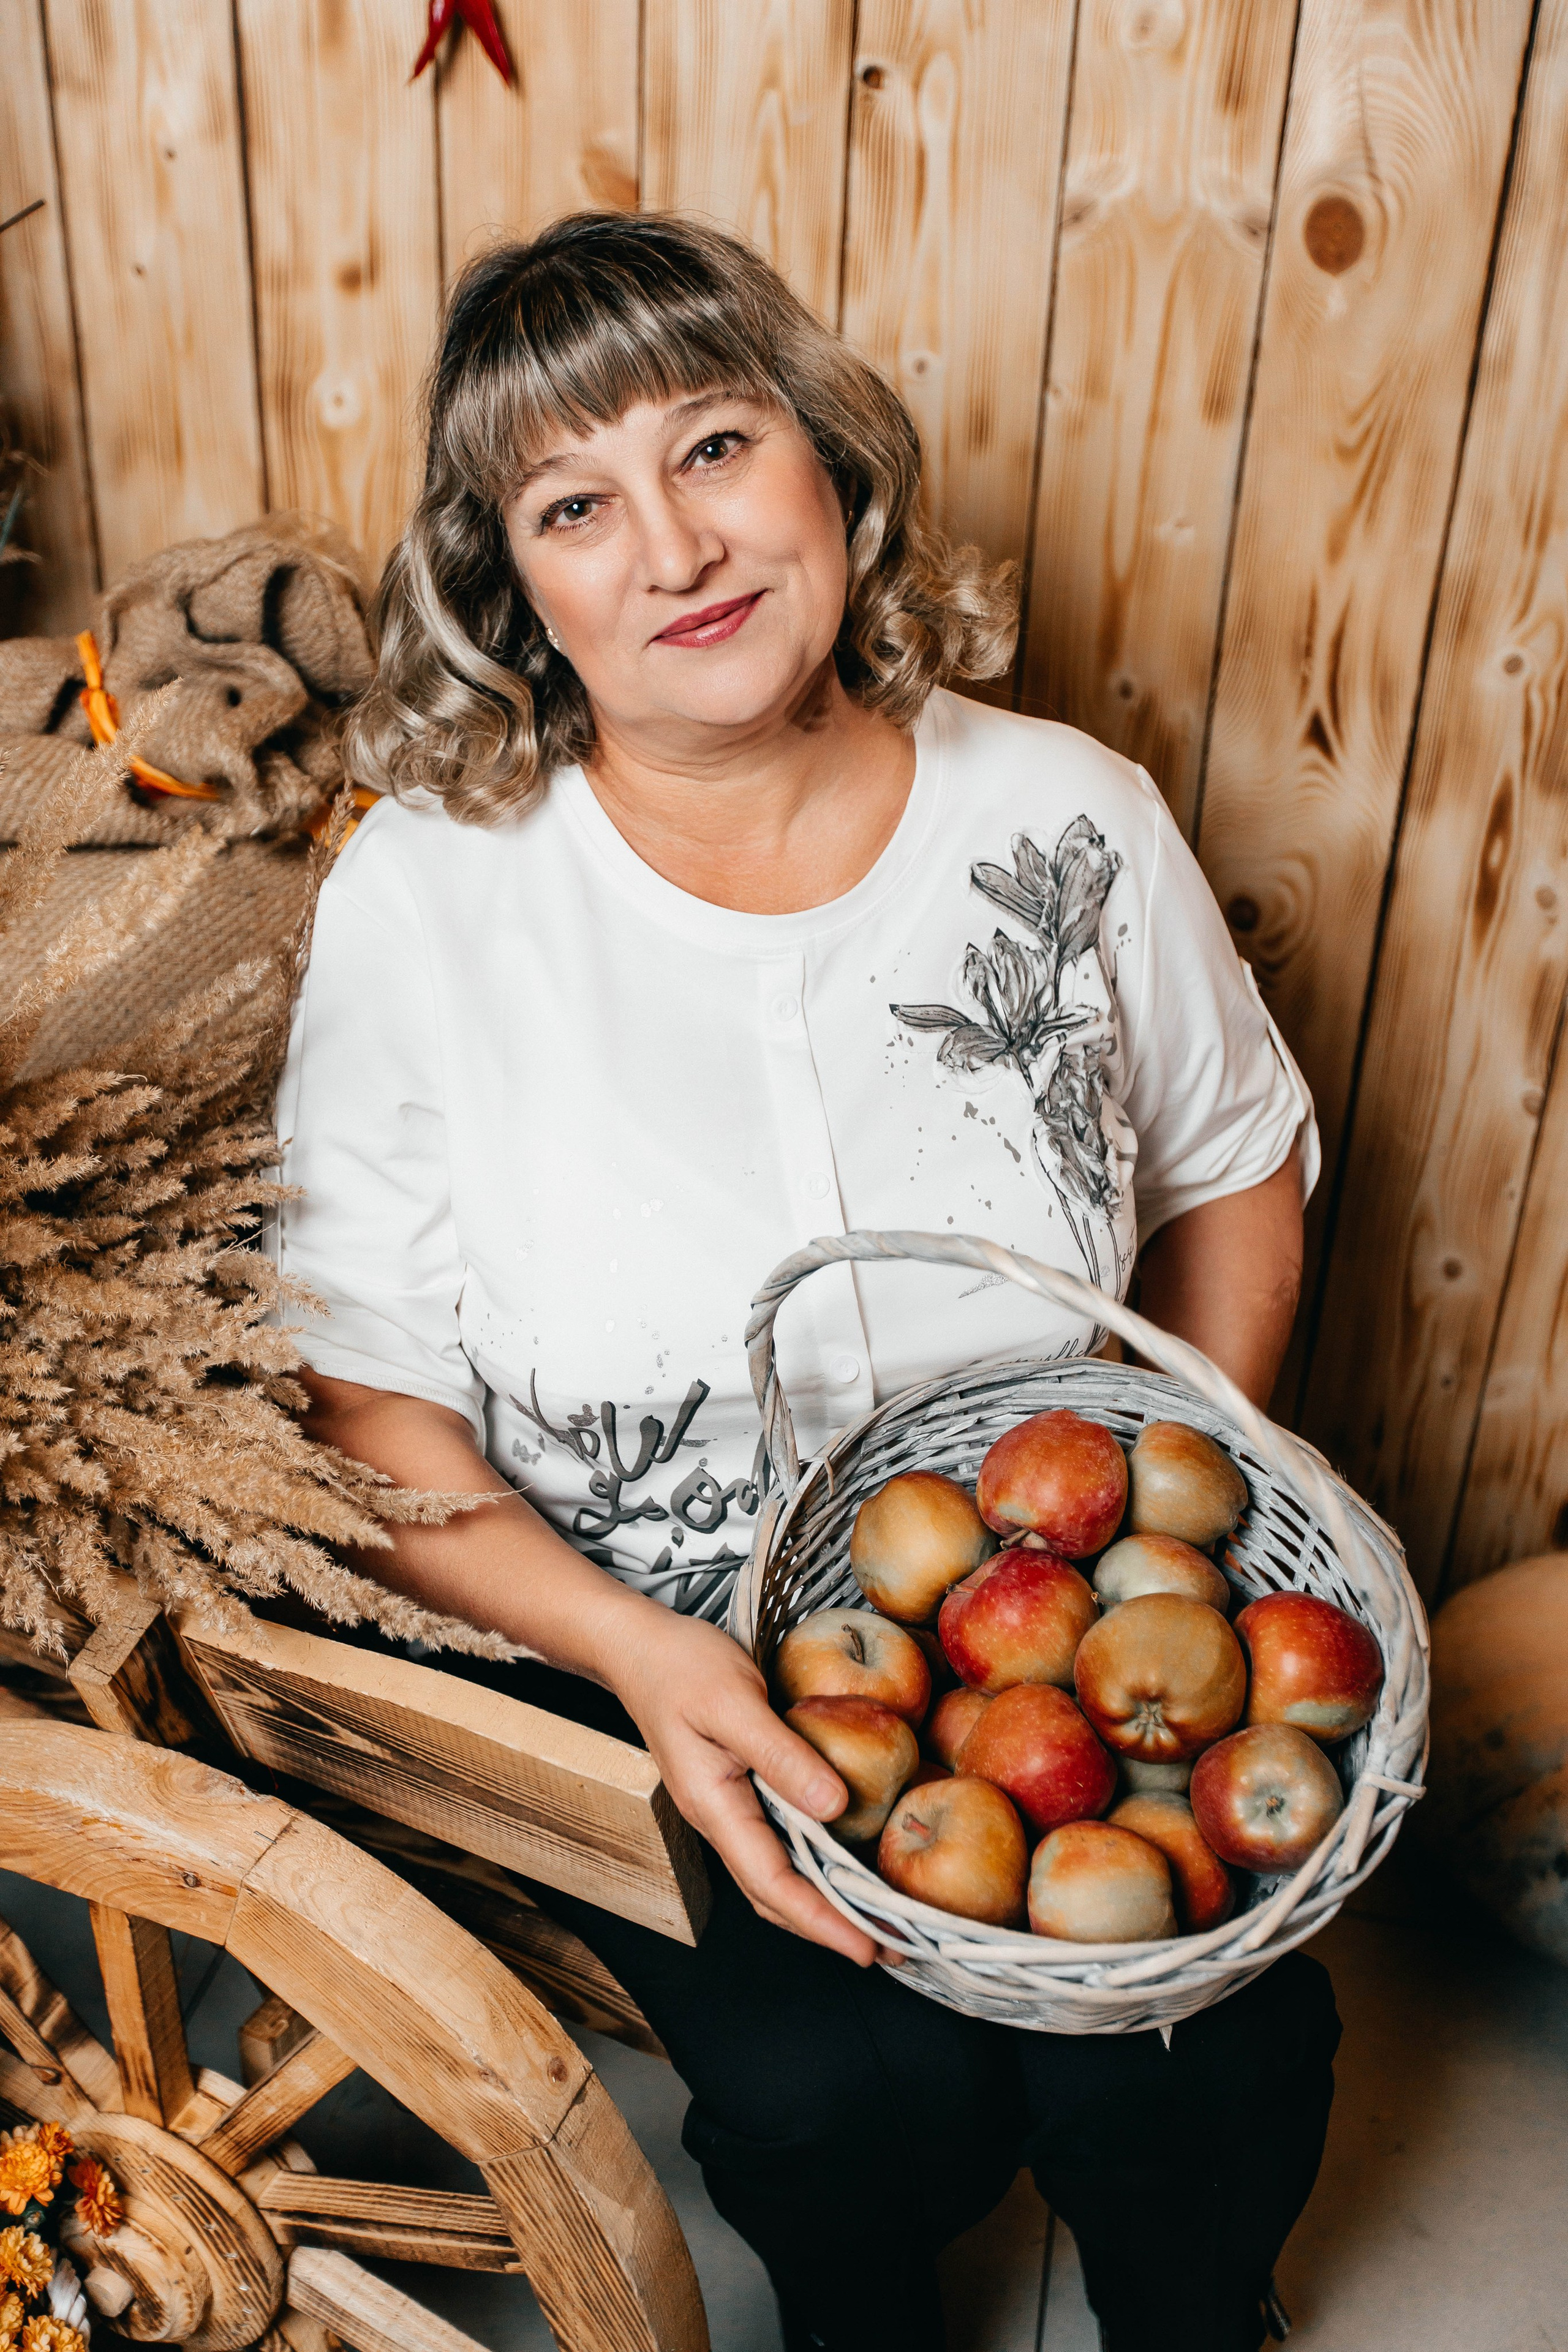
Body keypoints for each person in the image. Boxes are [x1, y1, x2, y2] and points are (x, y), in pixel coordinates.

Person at [274, 212, 1340, 2352]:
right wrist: (638, 1660)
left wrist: (1195, 1487)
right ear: (518, 596)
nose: (675, 548)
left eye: (716, 446)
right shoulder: (432, 902)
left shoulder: (1067, 819)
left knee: (1207, 2049)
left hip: (1050, 1584)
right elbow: (368, 1389)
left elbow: (1235, 1166)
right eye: (578, 505)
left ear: (832, 469)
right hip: (639, 1631)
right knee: (846, 2088)